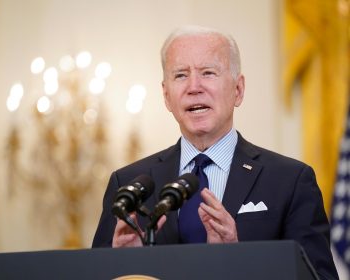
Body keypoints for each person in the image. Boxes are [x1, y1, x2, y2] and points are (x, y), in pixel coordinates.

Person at [92, 25, 338, 279]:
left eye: (208, 73)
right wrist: (124, 264)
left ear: (238, 90)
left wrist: (236, 261)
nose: (194, 87)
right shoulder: (128, 186)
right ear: (166, 95)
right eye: (180, 75)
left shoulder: (290, 181)